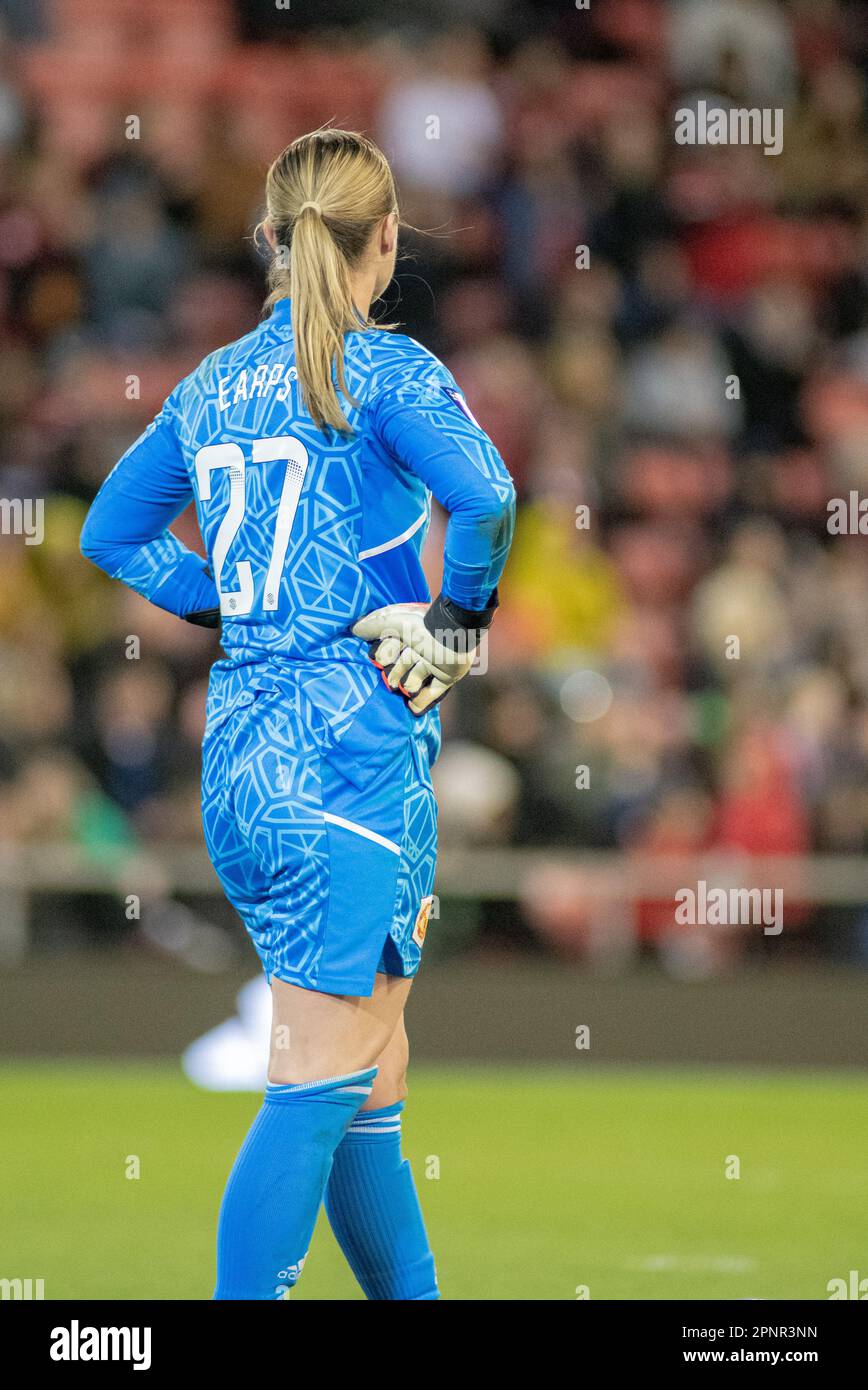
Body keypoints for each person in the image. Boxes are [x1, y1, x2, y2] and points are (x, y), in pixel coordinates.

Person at [80, 128, 516, 1300]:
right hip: (348, 751)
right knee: (321, 1074)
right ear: (386, 242)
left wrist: (227, 602)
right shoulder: (389, 373)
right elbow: (487, 496)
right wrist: (458, 623)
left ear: (269, 241)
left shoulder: (210, 384)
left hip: (243, 756)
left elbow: (108, 534)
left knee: (371, 1075)